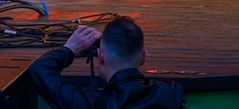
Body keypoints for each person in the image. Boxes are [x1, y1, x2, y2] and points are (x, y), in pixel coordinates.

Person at [29, 17, 184, 109]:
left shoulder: (90, 102)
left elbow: (39, 69)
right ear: (143, 57)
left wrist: (70, 50)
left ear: (101, 57)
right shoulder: (170, 92)